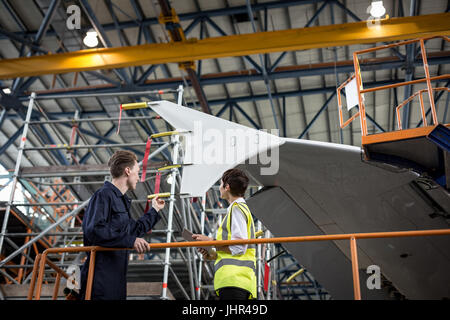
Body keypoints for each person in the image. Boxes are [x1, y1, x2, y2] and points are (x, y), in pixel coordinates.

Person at [79, 150, 165, 300]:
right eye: (137, 172)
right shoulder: (104, 195)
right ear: (127, 171)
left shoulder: (121, 202)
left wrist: (155, 210)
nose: (138, 178)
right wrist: (131, 241)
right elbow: (94, 229)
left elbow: (134, 231)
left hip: (116, 278)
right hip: (100, 277)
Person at [192, 168, 257, 300]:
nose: (219, 188)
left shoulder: (237, 209)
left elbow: (239, 247)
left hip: (234, 281)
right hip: (237, 281)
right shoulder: (237, 209)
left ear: (227, 187)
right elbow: (234, 250)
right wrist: (212, 253)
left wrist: (211, 242)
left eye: (221, 184)